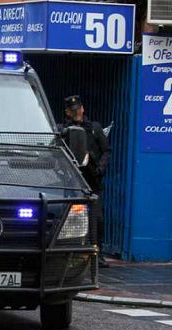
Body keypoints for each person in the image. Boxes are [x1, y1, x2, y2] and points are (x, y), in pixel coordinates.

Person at [63, 95, 111, 268]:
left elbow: (106, 150)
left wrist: (101, 168)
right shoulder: (64, 130)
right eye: (72, 111)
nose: (77, 113)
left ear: (82, 109)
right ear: (67, 112)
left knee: (97, 218)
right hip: (73, 180)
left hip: (93, 179)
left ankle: (97, 253)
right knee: (71, 217)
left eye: (78, 109)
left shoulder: (94, 128)